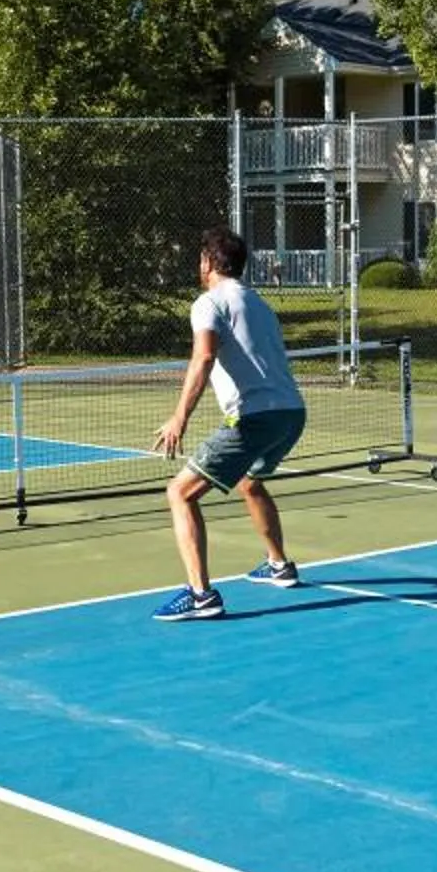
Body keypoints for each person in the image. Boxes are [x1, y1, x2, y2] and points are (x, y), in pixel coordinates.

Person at [149, 225, 306, 622]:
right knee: (249, 481)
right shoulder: (260, 304)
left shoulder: (208, 302)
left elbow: (203, 357)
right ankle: (279, 565)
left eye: (200, 258)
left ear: (208, 262)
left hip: (253, 418)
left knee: (180, 493)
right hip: (290, 414)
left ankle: (201, 595)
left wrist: (179, 417)